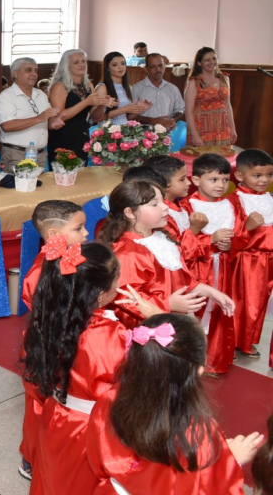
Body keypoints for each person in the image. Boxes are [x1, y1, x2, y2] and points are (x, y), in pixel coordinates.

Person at [23, 241, 152, 493]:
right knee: (82, 483)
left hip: (57, 415)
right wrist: (154, 316)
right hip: (93, 429)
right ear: (101, 293)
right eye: (117, 280)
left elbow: (35, 379)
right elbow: (138, 385)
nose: (119, 285)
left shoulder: (45, 322)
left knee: (55, 477)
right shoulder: (110, 335)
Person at [86, 313, 263, 494]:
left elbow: (96, 462)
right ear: (199, 370)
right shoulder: (196, 433)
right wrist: (231, 460)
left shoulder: (109, 400)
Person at [98, 180, 233, 328]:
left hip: (172, 320)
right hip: (148, 329)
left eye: (163, 201)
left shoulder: (163, 239)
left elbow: (184, 282)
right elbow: (126, 300)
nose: (165, 207)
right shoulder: (127, 253)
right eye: (154, 204)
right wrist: (168, 304)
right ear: (130, 213)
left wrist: (212, 293)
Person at [17, 200, 88, 481]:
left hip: (68, 343)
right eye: (79, 228)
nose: (85, 234)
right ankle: (31, 457)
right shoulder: (40, 274)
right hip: (47, 346)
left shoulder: (74, 258)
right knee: (40, 406)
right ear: (53, 236)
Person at [181, 153, 239, 373]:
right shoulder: (188, 206)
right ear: (196, 180)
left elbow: (241, 233)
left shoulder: (230, 205)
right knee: (198, 311)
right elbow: (183, 243)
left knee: (219, 310)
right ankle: (192, 360)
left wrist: (230, 246)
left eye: (225, 180)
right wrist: (210, 240)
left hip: (224, 267)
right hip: (200, 269)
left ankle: (215, 359)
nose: (220, 185)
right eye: (213, 179)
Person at [227, 149, 273, 361]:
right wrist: (248, 227)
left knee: (260, 303)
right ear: (239, 176)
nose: (264, 180)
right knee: (246, 302)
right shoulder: (234, 201)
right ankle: (234, 341)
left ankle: (247, 340)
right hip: (248, 260)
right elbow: (231, 238)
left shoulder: (269, 198)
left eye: (269, 175)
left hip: (268, 260)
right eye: (257, 175)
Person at [0, 57, 60, 171]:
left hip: (40, 155)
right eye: (29, 70)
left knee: (41, 189)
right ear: (16, 73)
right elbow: (7, 126)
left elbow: (46, 121)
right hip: (17, 155)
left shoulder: (41, 95)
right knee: (17, 188)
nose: (34, 74)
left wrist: (54, 123)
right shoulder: (6, 97)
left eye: (36, 70)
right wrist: (39, 118)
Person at [47, 49, 114, 162]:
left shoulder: (88, 85)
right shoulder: (59, 86)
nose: (81, 65)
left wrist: (102, 105)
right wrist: (86, 102)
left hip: (82, 134)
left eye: (83, 61)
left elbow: (95, 117)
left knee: (81, 175)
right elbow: (59, 117)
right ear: (66, 65)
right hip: (63, 136)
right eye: (76, 62)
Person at [184, 46, 236, 148]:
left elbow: (227, 104)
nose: (212, 62)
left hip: (222, 128)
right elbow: (188, 111)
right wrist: (195, 135)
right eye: (207, 60)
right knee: (203, 161)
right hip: (201, 129)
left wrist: (232, 128)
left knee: (222, 161)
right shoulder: (194, 82)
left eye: (214, 58)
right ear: (199, 63)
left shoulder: (224, 79)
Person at [90, 52, 151, 125]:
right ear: (108, 68)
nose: (120, 67)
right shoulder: (102, 87)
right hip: (106, 132)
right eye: (115, 65)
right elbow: (95, 118)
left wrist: (139, 109)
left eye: (123, 63)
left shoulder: (128, 87)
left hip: (123, 130)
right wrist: (123, 109)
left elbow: (126, 117)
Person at [131, 53, 184, 131]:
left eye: (160, 66)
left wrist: (173, 120)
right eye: (153, 67)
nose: (158, 69)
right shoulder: (136, 89)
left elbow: (180, 109)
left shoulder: (172, 89)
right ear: (146, 69)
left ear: (164, 67)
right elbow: (130, 116)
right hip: (143, 133)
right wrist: (152, 121)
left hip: (167, 132)